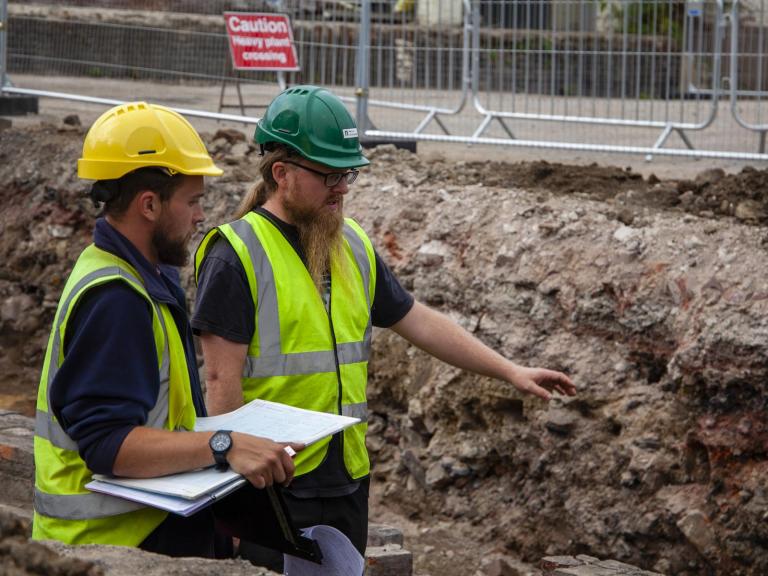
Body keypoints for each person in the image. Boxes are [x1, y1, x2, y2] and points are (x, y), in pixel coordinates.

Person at [191, 85, 576, 567]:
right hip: (272, 484)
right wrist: (227, 497)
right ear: (281, 173)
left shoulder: (348, 242)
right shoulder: (235, 254)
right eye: (329, 174)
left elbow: (415, 319)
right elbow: (219, 384)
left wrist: (509, 370)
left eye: (348, 173)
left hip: (346, 477)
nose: (343, 188)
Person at [32, 101, 301, 556]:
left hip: (148, 528)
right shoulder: (117, 299)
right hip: (116, 546)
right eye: (193, 201)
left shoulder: (135, 274)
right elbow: (108, 445)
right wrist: (224, 445)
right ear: (150, 204)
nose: (201, 216)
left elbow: (158, 418)